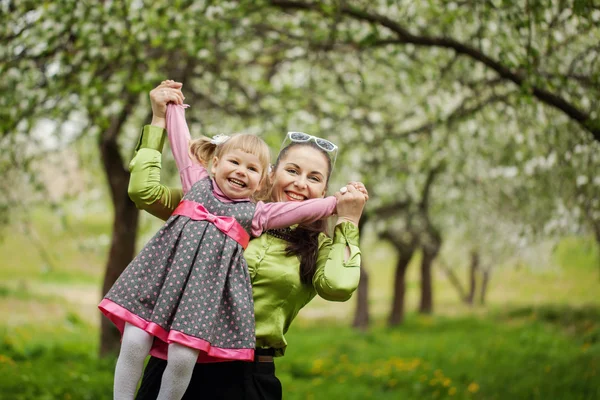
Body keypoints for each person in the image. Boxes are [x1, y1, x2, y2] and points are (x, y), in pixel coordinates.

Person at [129, 80, 368, 399]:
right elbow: (143, 192)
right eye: (292, 170)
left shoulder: (321, 247)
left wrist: (348, 221)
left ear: (323, 193)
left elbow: (338, 287)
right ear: (270, 174)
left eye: (314, 178)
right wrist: (159, 120)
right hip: (176, 358)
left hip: (247, 377)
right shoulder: (217, 207)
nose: (299, 183)